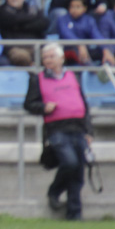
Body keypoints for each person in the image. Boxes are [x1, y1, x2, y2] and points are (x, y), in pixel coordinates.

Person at [24, 43, 92, 219]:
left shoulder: (73, 76)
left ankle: (75, 213)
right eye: (45, 57)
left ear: (61, 58)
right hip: (56, 129)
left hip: (78, 127)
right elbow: (29, 104)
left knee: (78, 172)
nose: (48, 60)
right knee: (69, 163)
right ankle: (54, 191)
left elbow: (84, 104)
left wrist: (89, 131)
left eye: (51, 56)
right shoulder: (37, 79)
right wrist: (43, 107)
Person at [0, 0, 49, 66]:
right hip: (15, 47)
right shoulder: (0, 11)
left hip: (36, 46)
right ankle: (33, 73)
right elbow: (10, 20)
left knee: (53, 53)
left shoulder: (32, 8)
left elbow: (44, 23)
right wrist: (31, 19)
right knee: (21, 57)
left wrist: (19, 26)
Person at [59, 0, 114, 65]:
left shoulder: (89, 20)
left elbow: (96, 35)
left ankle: (110, 70)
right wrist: (79, 44)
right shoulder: (62, 20)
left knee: (108, 50)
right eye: (72, 7)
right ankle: (95, 72)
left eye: (78, 7)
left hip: (86, 49)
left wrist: (105, 49)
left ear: (85, 8)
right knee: (78, 51)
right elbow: (67, 34)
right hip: (69, 49)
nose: (74, 9)